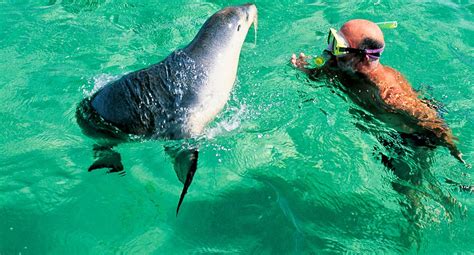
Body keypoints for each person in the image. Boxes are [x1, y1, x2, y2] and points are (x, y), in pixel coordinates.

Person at [290, 19, 467, 166]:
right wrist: (304, 71)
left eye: (338, 47)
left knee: (406, 190)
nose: (329, 51)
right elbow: (318, 78)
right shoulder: (343, 66)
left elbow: (435, 126)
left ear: (363, 57)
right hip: (385, 126)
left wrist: (456, 154)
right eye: (333, 40)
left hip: (413, 136)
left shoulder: (389, 95)